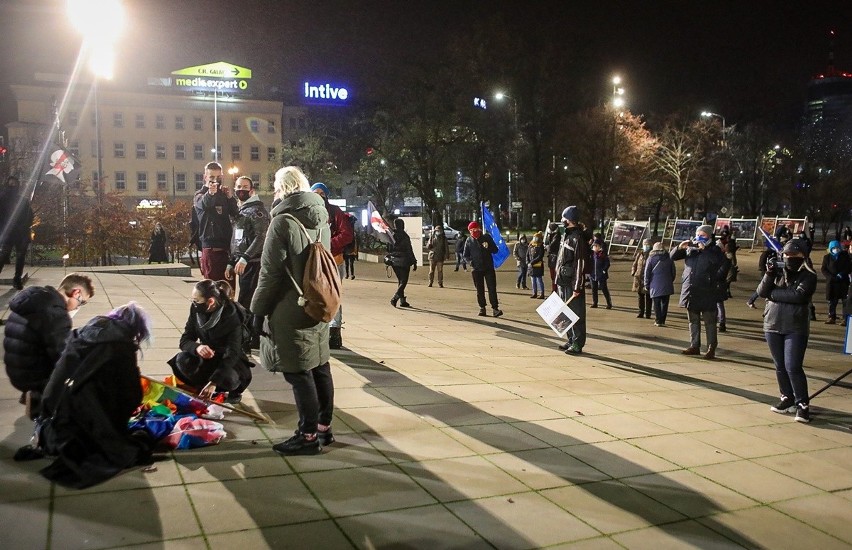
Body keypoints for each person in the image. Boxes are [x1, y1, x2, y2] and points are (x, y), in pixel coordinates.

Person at [15, 302, 155, 489]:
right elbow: (131, 393)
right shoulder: (122, 346)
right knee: (141, 440)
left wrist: (45, 416)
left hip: (67, 418)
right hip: (97, 418)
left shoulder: (80, 336)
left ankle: (53, 438)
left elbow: (57, 379)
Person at [252, 166, 335, 456]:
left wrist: (257, 312)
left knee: (299, 373)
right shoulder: (321, 216)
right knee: (321, 365)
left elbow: (270, 273)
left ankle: (307, 436)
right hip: (318, 301)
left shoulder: (282, 222)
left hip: (292, 306)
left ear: (281, 188)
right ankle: (325, 428)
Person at [3, 273, 94, 419]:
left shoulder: (36, 297)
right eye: (81, 302)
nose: (78, 307)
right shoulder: (55, 313)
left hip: (15, 369)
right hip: (32, 376)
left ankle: (33, 397)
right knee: (77, 378)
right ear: (76, 292)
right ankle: (42, 410)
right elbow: (64, 355)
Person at [757, 239, 818, 423]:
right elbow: (761, 291)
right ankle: (787, 397)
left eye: (795, 255)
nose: (790, 258)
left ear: (803, 257)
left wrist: (773, 294)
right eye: (787, 255)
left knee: (793, 366)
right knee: (780, 366)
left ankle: (802, 404)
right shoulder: (776, 272)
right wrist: (769, 274)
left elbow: (799, 296)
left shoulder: (808, 275)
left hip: (795, 327)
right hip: (773, 324)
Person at [168, 279, 253, 404]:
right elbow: (185, 340)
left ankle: (227, 390)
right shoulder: (196, 310)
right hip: (208, 356)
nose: (194, 303)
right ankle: (203, 387)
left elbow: (232, 354)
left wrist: (214, 382)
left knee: (229, 379)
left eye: (196, 301)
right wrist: (197, 348)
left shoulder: (233, 316)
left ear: (210, 302)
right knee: (182, 359)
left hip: (229, 360)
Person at [671, 224, 730, 360]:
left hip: (707, 291)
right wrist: (679, 247)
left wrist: (705, 250)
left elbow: (718, 263)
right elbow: (672, 256)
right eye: (698, 234)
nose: (699, 238)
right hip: (691, 290)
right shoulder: (692, 249)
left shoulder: (714, 250)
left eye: (703, 235)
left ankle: (711, 347)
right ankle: (694, 345)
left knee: (709, 321)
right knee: (693, 320)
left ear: (709, 236)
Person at [225, 176, 270, 347]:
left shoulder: (257, 211)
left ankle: (251, 337)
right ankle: (248, 336)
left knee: (248, 300)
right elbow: (237, 239)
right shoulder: (242, 210)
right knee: (245, 299)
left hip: (253, 263)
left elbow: (261, 237)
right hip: (243, 262)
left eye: (245, 187)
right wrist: (232, 260)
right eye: (238, 186)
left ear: (252, 190)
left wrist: (245, 257)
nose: (240, 190)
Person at [311, 182, 354, 350]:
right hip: (314, 261)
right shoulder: (309, 212)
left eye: (322, 192)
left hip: (334, 260)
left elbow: (347, 234)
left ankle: (334, 333)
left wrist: (328, 243)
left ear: (327, 195)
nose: (319, 195)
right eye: (315, 192)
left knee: (333, 296)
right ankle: (318, 331)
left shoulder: (335, 211)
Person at [193, 162, 238, 282]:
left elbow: (236, 213)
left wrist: (230, 197)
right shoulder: (200, 195)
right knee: (213, 290)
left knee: (228, 290)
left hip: (227, 249)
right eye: (211, 177)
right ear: (205, 177)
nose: (215, 181)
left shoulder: (223, 194)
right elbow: (204, 203)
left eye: (218, 177)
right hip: (212, 249)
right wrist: (210, 194)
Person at [555, 206, 587, 354]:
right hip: (563, 280)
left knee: (576, 313)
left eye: (564, 219)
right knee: (565, 313)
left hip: (571, 283)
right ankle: (570, 339)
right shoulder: (566, 235)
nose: (562, 221)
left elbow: (580, 263)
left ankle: (578, 343)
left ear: (569, 220)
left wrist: (577, 286)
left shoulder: (577, 238)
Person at [0, 175, 34, 290]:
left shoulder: (23, 201)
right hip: (8, 232)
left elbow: (30, 216)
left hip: (21, 233)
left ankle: (17, 279)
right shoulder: (2, 199)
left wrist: (25, 225)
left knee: (20, 256)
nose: (13, 185)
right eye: (11, 183)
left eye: (15, 183)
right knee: (4, 254)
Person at [463, 221, 503, 317]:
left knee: (492, 288)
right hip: (476, 269)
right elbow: (465, 255)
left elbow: (495, 250)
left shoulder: (486, 238)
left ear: (479, 229)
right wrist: (471, 262)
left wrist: (488, 247)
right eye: (471, 230)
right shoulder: (469, 240)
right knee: (479, 290)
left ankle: (495, 308)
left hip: (488, 267)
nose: (474, 232)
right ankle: (482, 307)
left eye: (475, 229)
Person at [386, 218, 418, 306]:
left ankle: (402, 301)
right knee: (403, 281)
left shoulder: (392, 236)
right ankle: (395, 298)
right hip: (404, 261)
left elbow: (388, 248)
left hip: (394, 261)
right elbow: (409, 250)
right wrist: (414, 261)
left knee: (400, 281)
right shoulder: (405, 236)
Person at [644, 241, 676, 326]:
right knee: (665, 304)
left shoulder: (651, 258)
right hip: (667, 284)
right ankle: (663, 320)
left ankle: (658, 321)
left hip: (655, 284)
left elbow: (647, 272)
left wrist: (646, 284)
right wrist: (670, 280)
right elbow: (673, 272)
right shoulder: (669, 258)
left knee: (656, 304)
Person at [820, 240, 851, 325]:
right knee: (832, 302)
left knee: (845, 301)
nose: (835, 250)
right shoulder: (827, 257)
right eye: (833, 248)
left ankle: (845, 318)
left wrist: (842, 274)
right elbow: (823, 269)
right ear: (830, 249)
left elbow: (848, 267)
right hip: (832, 283)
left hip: (843, 282)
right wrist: (830, 277)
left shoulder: (845, 256)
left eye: (837, 248)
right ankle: (831, 317)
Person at [631, 238, 653, 319]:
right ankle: (641, 312)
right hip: (639, 277)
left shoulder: (652, 254)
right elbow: (635, 264)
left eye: (647, 244)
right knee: (640, 296)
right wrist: (633, 272)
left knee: (648, 297)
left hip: (648, 278)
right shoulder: (640, 254)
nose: (646, 246)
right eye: (644, 244)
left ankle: (648, 313)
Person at [588, 238, 612, 309]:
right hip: (593, 274)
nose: (595, 247)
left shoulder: (603, 254)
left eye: (596, 246)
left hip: (601, 275)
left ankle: (609, 303)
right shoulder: (592, 254)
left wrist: (604, 270)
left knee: (604, 289)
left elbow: (607, 264)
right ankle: (595, 302)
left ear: (599, 247)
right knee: (594, 289)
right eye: (594, 246)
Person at [427, 223, 449, 288]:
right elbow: (428, 246)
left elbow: (446, 247)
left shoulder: (444, 238)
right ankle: (430, 282)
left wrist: (447, 255)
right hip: (432, 256)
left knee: (440, 271)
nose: (438, 232)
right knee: (431, 271)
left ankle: (440, 283)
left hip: (440, 256)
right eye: (437, 230)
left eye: (439, 230)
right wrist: (429, 244)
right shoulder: (432, 237)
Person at [527, 231, 546, 299]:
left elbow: (540, 256)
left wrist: (532, 262)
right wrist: (528, 262)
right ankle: (534, 293)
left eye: (537, 238)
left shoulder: (541, 246)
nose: (535, 239)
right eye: (535, 237)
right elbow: (528, 254)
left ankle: (542, 293)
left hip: (538, 265)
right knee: (533, 280)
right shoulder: (531, 245)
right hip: (531, 266)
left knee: (539, 280)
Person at [546, 222, 562, 292]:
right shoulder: (552, 236)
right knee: (553, 277)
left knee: (555, 276)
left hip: (554, 258)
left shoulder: (556, 236)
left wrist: (547, 247)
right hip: (552, 258)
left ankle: (555, 291)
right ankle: (554, 291)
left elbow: (551, 246)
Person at [343, 214, 359, 279]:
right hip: (348, 250)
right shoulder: (346, 233)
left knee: (350, 263)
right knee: (348, 263)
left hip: (350, 250)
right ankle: (348, 274)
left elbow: (356, 243)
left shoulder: (353, 233)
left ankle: (350, 274)